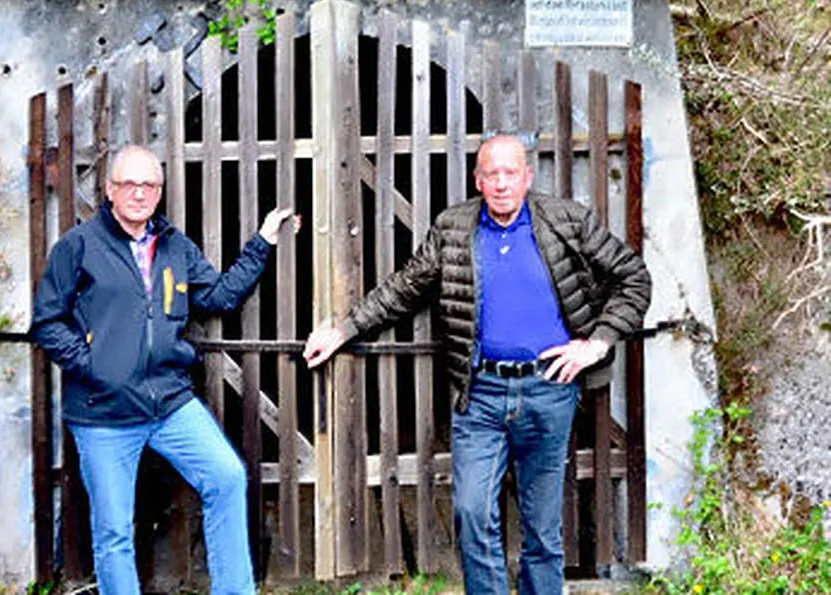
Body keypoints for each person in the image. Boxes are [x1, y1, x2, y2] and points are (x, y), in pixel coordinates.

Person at [302, 134, 651, 595]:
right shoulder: (454, 228)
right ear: (478, 180)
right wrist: (343, 329)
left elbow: (634, 278)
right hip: (481, 393)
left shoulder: (567, 220)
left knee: (543, 529)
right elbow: (406, 287)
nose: (502, 184)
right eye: (492, 174)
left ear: (527, 177)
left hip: (549, 391)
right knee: (471, 513)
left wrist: (599, 342)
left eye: (511, 173)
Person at [32, 145, 298, 595]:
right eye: (129, 184)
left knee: (227, 478)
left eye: (149, 185)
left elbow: (218, 296)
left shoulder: (174, 246)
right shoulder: (77, 247)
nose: (139, 193)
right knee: (114, 531)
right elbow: (47, 322)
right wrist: (94, 367)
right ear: (111, 189)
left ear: (159, 191)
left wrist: (262, 242)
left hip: (169, 403)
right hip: (104, 413)